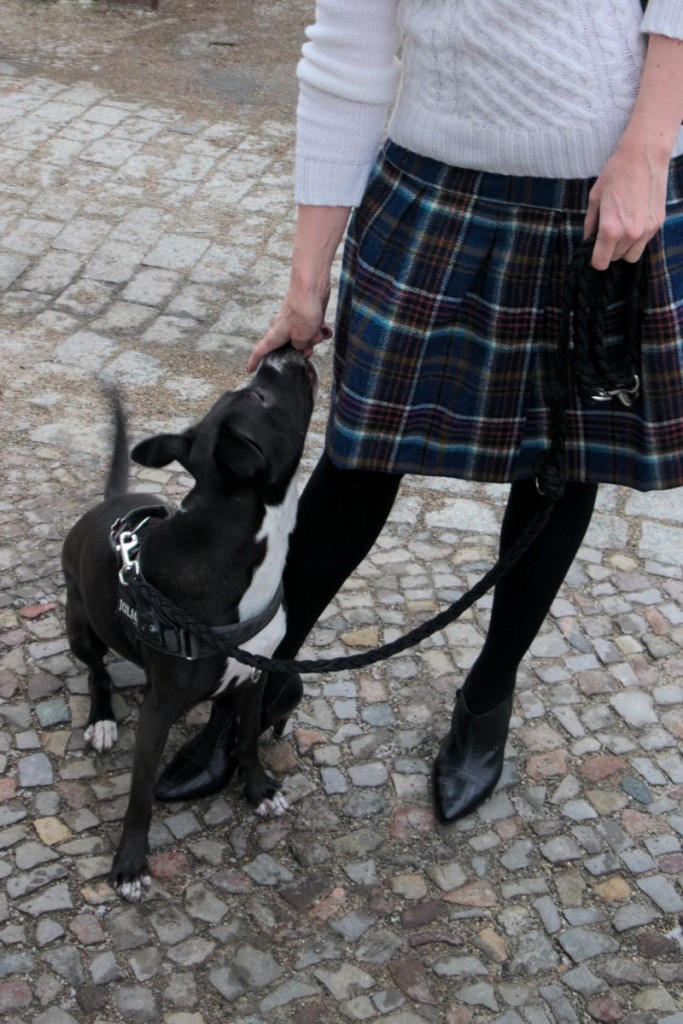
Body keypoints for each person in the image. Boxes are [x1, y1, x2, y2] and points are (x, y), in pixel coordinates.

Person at [156, 0, 683, 823]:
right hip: (431, 193)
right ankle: (259, 679)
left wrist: (648, 147)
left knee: (561, 465)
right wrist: (305, 280)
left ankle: (488, 693)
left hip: (607, 198)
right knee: (360, 454)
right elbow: (348, 55)